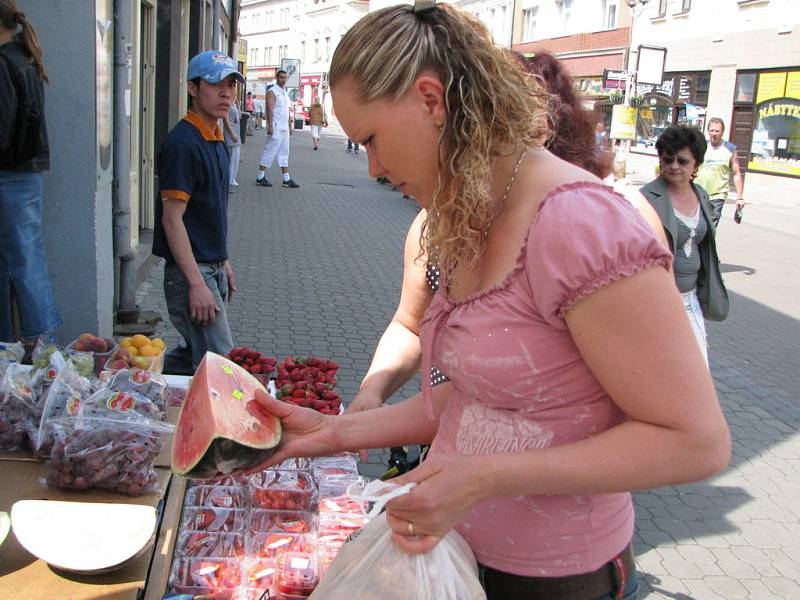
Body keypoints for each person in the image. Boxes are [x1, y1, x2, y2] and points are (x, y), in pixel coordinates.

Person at [249, 5, 730, 600]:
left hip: (556, 582)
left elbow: (695, 441)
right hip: (456, 559)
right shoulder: (469, 210)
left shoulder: (580, 223)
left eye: (371, 140)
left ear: (431, 100)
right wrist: (331, 434)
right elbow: (483, 396)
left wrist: (484, 478)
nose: (371, 168)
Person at [348, 49, 665, 416]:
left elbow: (665, 417)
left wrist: (487, 473)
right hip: (449, 444)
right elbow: (412, 326)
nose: (375, 169)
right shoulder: (435, 225)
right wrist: (372, 393)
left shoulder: (601, 220)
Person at [152, 50, 242, 374]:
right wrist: (196, 284)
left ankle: (145, 377)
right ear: (192, 88)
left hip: (210, 266)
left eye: (231, 84)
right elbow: (171, 219)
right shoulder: (183, 145)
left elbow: (208, 213)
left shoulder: (216, 138)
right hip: (192, 273)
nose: (225, 93)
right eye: (215, 83)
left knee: (197, 356)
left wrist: (224, 260)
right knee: (222, 367)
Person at [0, 2, 62, 347]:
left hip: (10, 174)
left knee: (23, 263)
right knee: (19, 262)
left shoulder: (5, 62)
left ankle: (42, 345)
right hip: (23, 173)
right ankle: (15, 344)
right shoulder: (23, 59)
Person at [640, 126, 729, 364]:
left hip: (691, 298)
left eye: (682, 161)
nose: (674, 166)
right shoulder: (646, 198)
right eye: (668, 159)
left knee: (698, 364)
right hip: (658, 301)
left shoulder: (701, 195)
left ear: (696, 165)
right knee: (662, 367)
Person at [694, 117, 744, 227]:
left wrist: (739, 197)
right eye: (711, 131)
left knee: (710, 227)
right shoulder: (701, 146)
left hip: (717, 196)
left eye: (717, 131)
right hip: (698, 193)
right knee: (696, 226)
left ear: (722, 132)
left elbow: (736, 173)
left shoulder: (730, 149)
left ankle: (707, 243)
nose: (714, 134)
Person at [255, 70, 300, 189]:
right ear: (276, 78)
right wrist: (269, 126)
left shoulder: (284, 93)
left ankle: (286, 178)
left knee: (284, 152)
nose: (283, 80)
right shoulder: (272, 92)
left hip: (284, 127)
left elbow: (287, 110)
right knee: (270, 150)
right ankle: (260, 176)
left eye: (285, 78)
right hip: (275, 126)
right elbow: (270, 110)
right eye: (281, 77)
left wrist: (290, 125)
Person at [223, 97, 241, 187]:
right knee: (233, 158)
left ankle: (232, 178)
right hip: (231, 134)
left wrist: (237, 102)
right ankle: (230, 179)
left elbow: (239, 115)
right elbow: (226, 120)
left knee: (235, 158)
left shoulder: (233, 105)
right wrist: (232, 133)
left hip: (236, 133)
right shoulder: (227, 106)